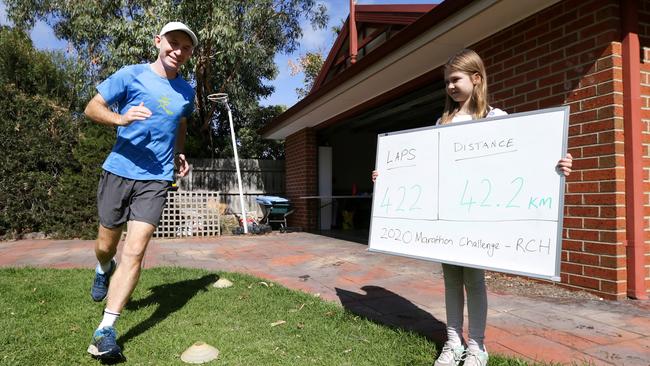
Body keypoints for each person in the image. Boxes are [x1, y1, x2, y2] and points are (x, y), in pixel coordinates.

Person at [372, 49, 573, 366]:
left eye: (456, 79)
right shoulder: (442, 121)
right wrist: (389, 177)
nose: (450, 87)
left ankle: (477, 347)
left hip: (478, 222)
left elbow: (522, 163)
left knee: (474, 283)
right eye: (447, 82)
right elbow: (426, 170)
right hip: (447, 221)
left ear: (476, 78)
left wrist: (557, 165)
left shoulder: (495, 119)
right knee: (451, 282)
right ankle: (452, 344)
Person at [83, 21, 198, 360]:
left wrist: (178, 153)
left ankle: (105, 330)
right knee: (107, 246)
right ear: (158, 41)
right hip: (118, 171)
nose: (178, 51)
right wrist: (120, 119)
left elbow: (180, 121)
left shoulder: (187, 92)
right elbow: (92, 107)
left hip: (156, 178)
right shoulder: (131, 74)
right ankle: (104, 268)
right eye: (173, 43)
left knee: (135, 250)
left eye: (186, 47)